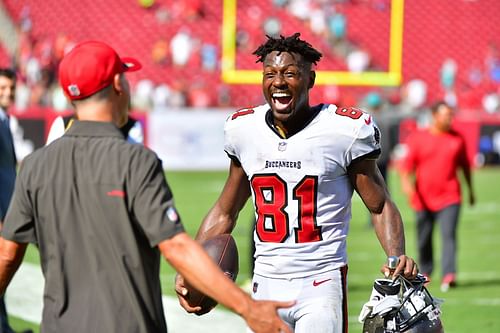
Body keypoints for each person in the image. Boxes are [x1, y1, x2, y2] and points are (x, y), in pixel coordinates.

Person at [0, 41, 293, 333]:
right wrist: (247, 307)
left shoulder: (34, 166)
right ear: (117, 84)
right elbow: (176, 246)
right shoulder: (136, 161)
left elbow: (7, 255)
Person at [176, 33, 418, 333]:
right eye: (271, 74)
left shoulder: (343, 130)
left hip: (321, 282)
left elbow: (380, 206)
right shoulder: (244, 129)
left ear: (310, 79)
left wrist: (396, 256)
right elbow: (226, 210)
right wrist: (193, 265)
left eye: (290, 73)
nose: (279, 81)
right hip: (264, 283)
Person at [400, 101, 475, 292]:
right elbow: (406, 169)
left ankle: (450, 274)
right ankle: (426, 271)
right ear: (434, 116)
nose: (450, 118)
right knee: (424, 237)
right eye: (446, 115)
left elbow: (465, 167)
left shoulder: (457, 139)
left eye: (451, 115)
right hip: (423, 199)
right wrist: (410, 191)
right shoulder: (418, 138)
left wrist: (471, 190)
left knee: (448, 235)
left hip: (450, 197)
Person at [0, 68, 33, 333]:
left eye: (11, 88)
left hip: (7, 211)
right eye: (2, 88)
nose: (8, 93)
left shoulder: (5, 119)